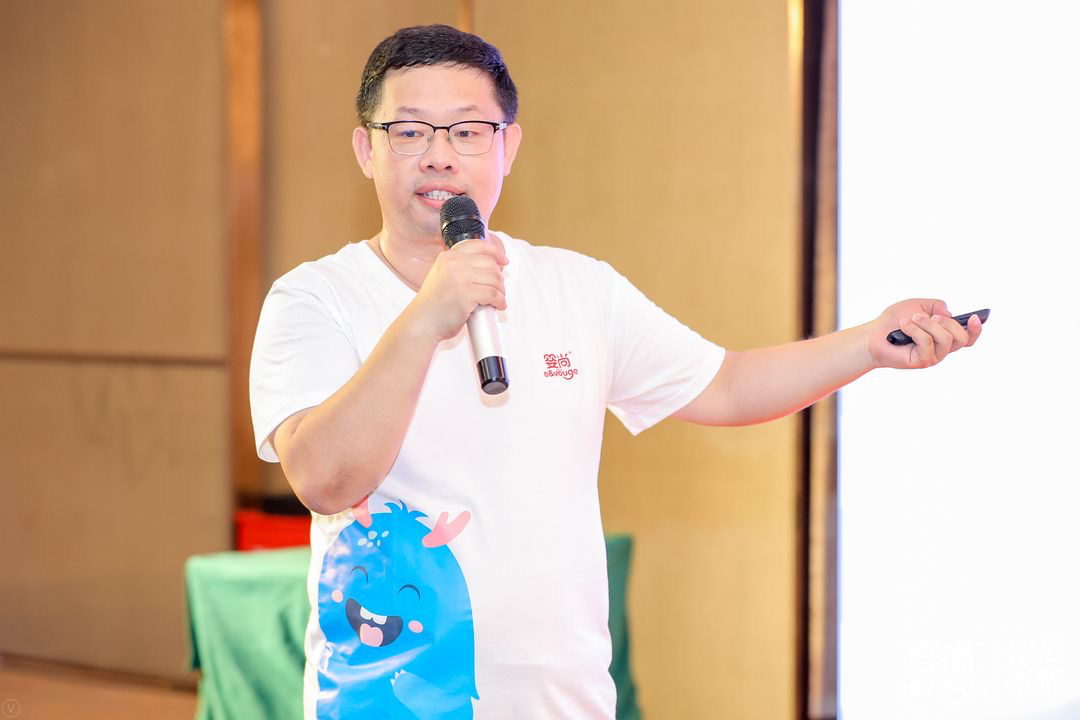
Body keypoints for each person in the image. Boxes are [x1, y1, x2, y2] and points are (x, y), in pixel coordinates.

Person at [249, 24, 982, 720]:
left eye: (468, 131)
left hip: (563, 702)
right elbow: (324, 479)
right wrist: (424, 320)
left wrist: (868, 346)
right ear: (365, 148)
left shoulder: (579, 289)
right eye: (409, 131)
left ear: (508, 146)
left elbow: (727, 385)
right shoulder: (314, 299)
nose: (440, 156)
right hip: (388, 701)